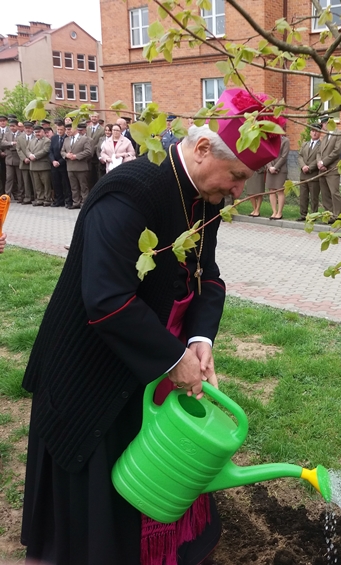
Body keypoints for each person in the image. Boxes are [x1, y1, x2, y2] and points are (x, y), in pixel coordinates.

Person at [21, 87, 284, 565]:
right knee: (102, 505)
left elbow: (207, 275)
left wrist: (199, 339)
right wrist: (173, 357)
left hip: (155, 357)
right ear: (202, 149)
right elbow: (106, 299)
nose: (239, 192)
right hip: (92, 369)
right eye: (238, 176)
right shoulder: (130, 192)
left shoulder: (204, 198)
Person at [317, 117, 341, 222]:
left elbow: (337, 151)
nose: (322, 127)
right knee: (325, 194)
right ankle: (329, 215)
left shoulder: (339, 134)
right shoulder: (325, 136)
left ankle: (338, 214)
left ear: (327, 123)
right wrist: (319, 163)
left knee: (334, 192)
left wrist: (324, 163)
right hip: (322, 170)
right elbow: (319, 152)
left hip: (332, 169)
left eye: (322, 124)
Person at [61, 122, 92, 209]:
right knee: (73, 186)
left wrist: (76, 156)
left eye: (69, 129)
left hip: (81, 167)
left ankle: (84, 202)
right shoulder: (66, 140)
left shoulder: (84, 139)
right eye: (67, 129)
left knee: (83, 186)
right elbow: (62, 151)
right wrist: (66, 155)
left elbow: (88, 151)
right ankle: (76, 202)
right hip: (70, 167)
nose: (68, 131)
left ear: (75, 128)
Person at [297, 125, 321, 221]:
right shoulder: (305, 144)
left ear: (320, 133)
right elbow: (300, 156)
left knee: (314, 197)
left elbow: (318, 158)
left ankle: (313, 215)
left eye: (316, 131)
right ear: (310, 132)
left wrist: (309, 167)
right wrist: (303, 166)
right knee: (303, 196)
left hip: (314, 175)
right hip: (303, 174)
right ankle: (303, 214)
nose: (314, 133)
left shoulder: (321, 145)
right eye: (313, 131)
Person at [49, 122, 72, 208]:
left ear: (65, 129)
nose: (59, 131)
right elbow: (50, 151)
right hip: (54, 164)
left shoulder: (68, 138)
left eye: (61, 129)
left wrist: (60, 162)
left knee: (66, 183)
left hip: (64, 164)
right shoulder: (54, 138)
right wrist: (53, 161)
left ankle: (68, 200)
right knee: (56, 183)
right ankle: (59, 200)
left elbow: (67, 152)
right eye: (58, 129)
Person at [28, 126, 52, 207]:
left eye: (39, 132)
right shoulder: (32, 140)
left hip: (43, 165)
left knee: (46, 184)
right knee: (37, 184)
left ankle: (47, 199)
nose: (37, 134)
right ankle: (40, 199)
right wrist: (30, 155)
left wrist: (35, 156)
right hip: (33, 165)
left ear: (43, 132)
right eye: (36, 132)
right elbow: (27, 149)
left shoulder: (47, 141)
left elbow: (45, 150)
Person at [267, 134, 290, 220]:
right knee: (271, 190)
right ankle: (274, 211)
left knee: (280, 190)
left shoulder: (285, 141)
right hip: (270, 169)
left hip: (281, 170)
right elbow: (267, 153)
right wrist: (270, 167)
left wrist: (275, 167)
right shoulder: (269, 140)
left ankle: (279, 212)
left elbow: (284, 156)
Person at [1, 119, 23, 202]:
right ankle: (7, 195)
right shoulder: (7, 134)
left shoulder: (21, 134)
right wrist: (11, 143)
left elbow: (20, 145)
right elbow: (2, 143)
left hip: (18, 158)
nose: (12, 128)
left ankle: (20, 196)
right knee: (9, 178)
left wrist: (9, 145)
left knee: (20, 179)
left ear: (17, 126)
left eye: (13, 126)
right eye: (10, 126)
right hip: (9, 159)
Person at [16, 121, 35, 204]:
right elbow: (18, 149)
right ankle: (27, 198)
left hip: (34, 162)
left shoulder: (36, 137)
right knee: (26, 181)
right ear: (24, 129)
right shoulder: (20, 138)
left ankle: (36, 197)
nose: (28, 130)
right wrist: (24, 158)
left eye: (29, 128)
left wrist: (31, 157)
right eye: (26, 128)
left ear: (32, 129)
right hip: (24, 163)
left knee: (35, 181)